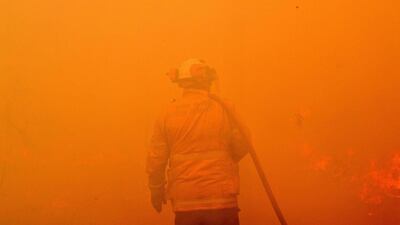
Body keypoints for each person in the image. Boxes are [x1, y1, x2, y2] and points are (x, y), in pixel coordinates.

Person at [146, 58, 251, 225]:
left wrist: (156, 191)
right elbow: (244, 142)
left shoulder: (166, 113)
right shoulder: (224, 107)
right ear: (206, 80)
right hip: (221, 200)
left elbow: (156, 159)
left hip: (186, 204)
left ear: (182, 82)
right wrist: (226, 160)